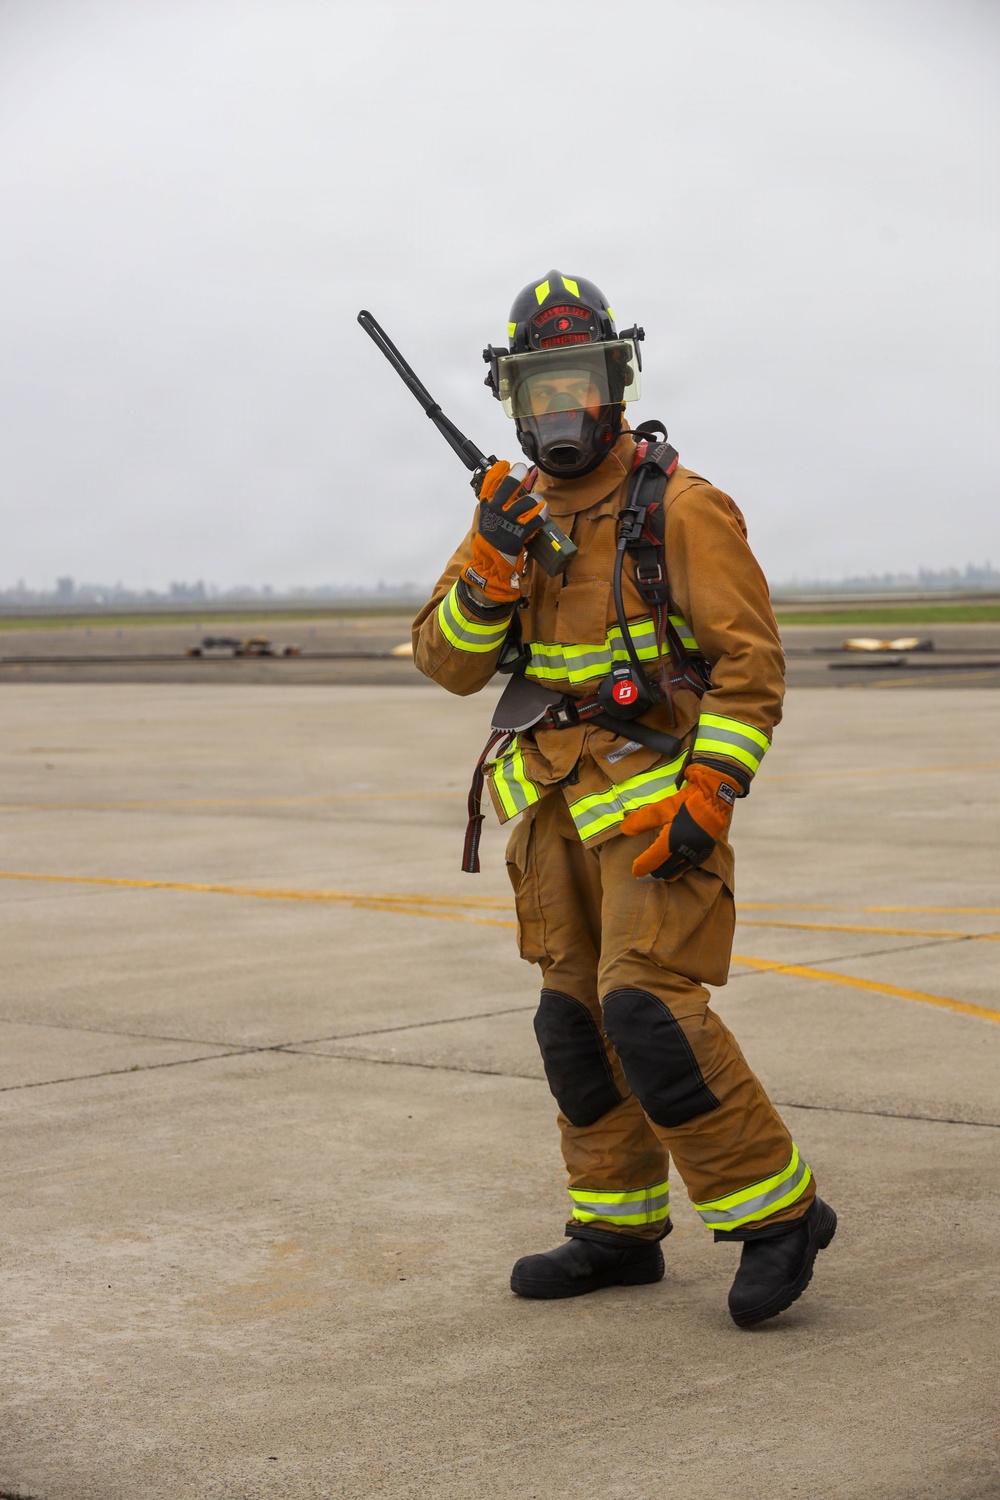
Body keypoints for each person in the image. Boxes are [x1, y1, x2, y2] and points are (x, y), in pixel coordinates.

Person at [412, 270, 836, 1326]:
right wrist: (491, 560)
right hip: (551, 813)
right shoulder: (506, 518)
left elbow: (750, 672)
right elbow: (447, 663)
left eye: (579, 383)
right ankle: (615, 1227)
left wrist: (711, 795)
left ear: (617, 379)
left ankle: (775, 1215)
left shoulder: (684, 510)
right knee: (573, 1025)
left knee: (647, 1014)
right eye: (539, 390)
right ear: (512, 398)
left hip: (654, 811)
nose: (561, 410)